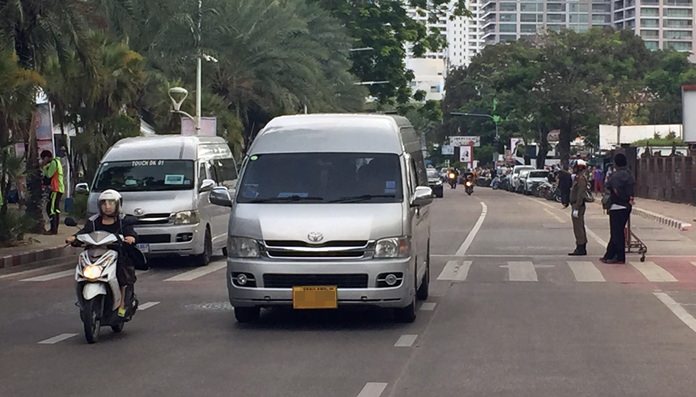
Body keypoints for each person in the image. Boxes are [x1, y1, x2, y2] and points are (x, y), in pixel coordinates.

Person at [65, 189, 139, 317]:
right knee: (83, 271)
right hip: (95, 254)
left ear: (118, 204)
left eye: (111, 203)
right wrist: (74, 238)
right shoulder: (94, 221)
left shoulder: (123, 221)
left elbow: (131, 233)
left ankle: (122, 305)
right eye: (104, 203)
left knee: (122, 274)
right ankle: (83, 300)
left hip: (116, 254)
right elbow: (84, 232)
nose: (108, 207)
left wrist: (131, 238)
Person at [601, 153, 635, 264]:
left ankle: (619, 257)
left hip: (616, 206)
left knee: (617, 233)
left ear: (616, 163)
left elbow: (611, 188)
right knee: (617, 232)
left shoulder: (615, 176)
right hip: (626, 206)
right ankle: (609, 254)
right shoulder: (629, 174)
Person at [40, 150, 64, 234]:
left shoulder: (54, 163)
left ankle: (53, 229)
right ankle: (54, 229)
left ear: (46, 157)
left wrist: (44, 167)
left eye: (43, 159)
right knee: (54, 209)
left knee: (51, 209)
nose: (43, 161)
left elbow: (49, 174)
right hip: (58, 188)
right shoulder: (57, 162)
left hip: (55, 189)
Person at [568, 160, 589, 256]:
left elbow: (580, 194)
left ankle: (581, 247)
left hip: (578, 205)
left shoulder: (581, 179)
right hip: (576, 204)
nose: (573, 169)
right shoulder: (577, 178)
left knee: (578, 227)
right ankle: (580, 245)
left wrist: (576, 207)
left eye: (575, 167)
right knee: (578, 226)